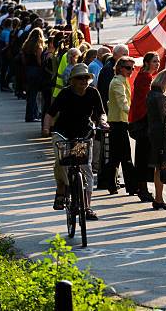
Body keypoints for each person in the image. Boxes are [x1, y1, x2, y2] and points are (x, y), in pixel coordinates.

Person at [43, 63, 108, 220]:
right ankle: (61, 190)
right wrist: (46, 129)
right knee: (61, 162)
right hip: (63, 133)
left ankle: (87, 207)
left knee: (86, 169)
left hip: (83, 134)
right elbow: (50, 113)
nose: (83, 81)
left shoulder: (93, 93)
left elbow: (101, 113)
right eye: (80, 78)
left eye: (86, 78)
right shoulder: (65, 93)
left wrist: (103, 122)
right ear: (72, 80)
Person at [127, 52, 160, 201]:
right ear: (146, 63)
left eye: (158, 61)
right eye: (154, 61)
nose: (157, 64)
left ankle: (142, 187)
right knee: (144, 156)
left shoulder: (145, 76)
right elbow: (148, 100)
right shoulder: (146, 77)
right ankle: (142, 188)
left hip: (142, 120)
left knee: (143, 155)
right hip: (144, 121)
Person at [105, 56, 138, 195]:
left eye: (133, 68)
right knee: (125, 157)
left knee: (116, 156)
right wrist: (134, 115)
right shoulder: (118, 82)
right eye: (128, 68)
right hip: (118, 122)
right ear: (119, 68)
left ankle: (111, 184)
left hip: (119, 121)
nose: (131, 71)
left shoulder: (122, 80)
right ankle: (131, 187)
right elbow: (122, 103)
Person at [147, 69, 166, 210]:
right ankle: (159, 199)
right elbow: (165, 117)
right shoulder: (160, 97)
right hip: (161, 134)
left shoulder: (151, 94)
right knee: (162, 167)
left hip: (153, 132)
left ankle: (158, 198)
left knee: (158, 168)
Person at [21, 28, 45, 122]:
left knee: (30, 93)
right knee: (33, 95)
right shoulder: (38, 46)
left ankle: (32, 114)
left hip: (28, 70)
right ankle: (31, 116)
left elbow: (23, 59)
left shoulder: (26, 45)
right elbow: (39, 61)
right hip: (35, 71)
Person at [97, 44, 129, 111]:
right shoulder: (109, 69)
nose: (127, 58)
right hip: (111, 109)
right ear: (115, 55)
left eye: (127, 55)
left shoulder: (119, 67)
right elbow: (107, 92)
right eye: (124, 55)